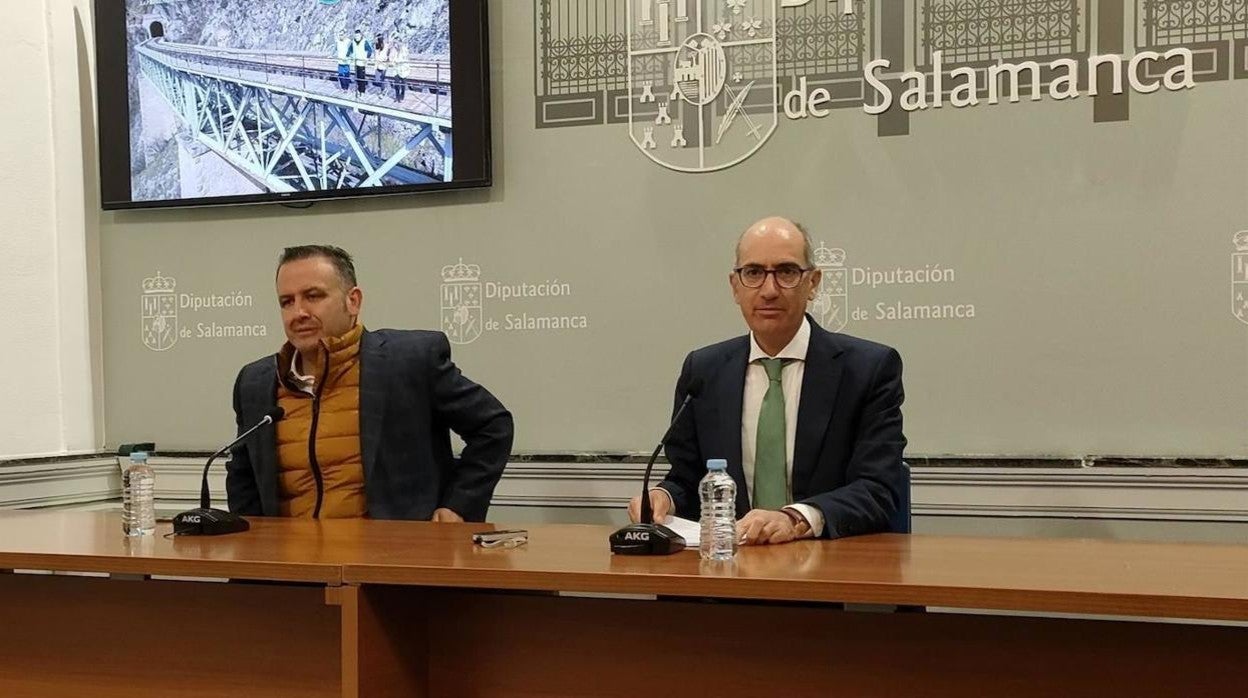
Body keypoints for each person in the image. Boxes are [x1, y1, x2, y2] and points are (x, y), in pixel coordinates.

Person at [628, 217, 906, 544]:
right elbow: (688, 478)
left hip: (826, 571)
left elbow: (878, 489)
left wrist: (795, 519)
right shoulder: (704, 370)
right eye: (754, 273)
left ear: (813, 283)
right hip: (727, 573)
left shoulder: (868, 369)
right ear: (735, 286)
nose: (769, 290)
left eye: (787, 272)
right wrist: (664, 497)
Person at [226, 245, 514, 521]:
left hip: (388, 562)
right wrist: (255, 543)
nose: (298, 313)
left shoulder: (410, 361)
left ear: (353, 301)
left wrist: (458, 505)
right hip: (290, 567)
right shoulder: (255, 381)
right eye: (286, 302)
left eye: (313, 296)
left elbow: (493, 427)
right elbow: (244, 473)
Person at [350, 29, 373, 96]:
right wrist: (349, 55)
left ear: (360, 35)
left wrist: (366, 57)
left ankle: (362, 91)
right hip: (356, 62)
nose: (357, 36)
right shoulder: (353, 42)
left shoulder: (364, 41)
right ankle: (358, 89)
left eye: (358, 35)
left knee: (362, 77)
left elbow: (369, 50)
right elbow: (350, 49)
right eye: (356, 35)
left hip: (362, 63)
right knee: (357, 77)